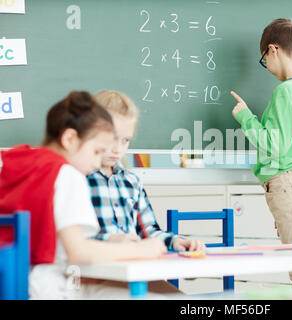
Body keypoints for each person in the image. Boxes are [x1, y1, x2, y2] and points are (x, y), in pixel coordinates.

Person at [0, 91, 167, 299]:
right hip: (54, 289)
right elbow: (79, 252)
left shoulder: (18, 163)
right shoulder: (67, 175)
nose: (98, 163)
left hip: (14, 285)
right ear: (70, 138)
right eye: (97, 151)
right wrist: (143, 250)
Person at [230, 18, 292, 285]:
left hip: (287, 184)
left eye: (264, 60)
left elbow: (274, 145)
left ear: (273, 49)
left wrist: (246, 117)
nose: (267, 68)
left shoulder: (286, 92)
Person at [87, 90, 205, 251]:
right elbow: (71, 239)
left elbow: (148, 231)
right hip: (94, 267)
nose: (118, 149)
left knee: (163, 277)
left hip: (132, 268)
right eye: (112, 138)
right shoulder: (79, 178)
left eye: (125, 140)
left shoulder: (131, 181)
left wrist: (174, 241)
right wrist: (109, 240)